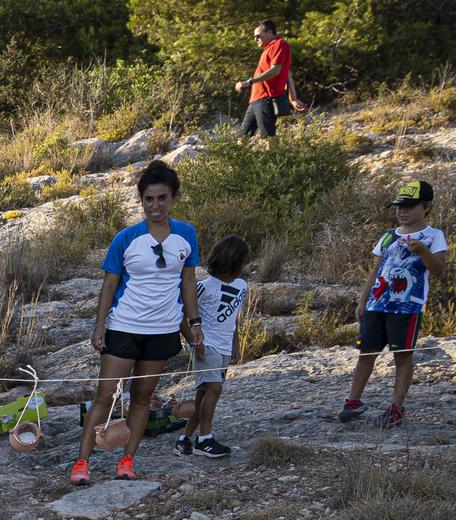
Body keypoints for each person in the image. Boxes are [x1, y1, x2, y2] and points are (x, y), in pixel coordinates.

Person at [73, 161, 205, 486]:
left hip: (162, 331)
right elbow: (108, 285)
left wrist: (194, 322)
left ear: (173, 198)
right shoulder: (126, 238)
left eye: (162, 198)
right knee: (104, 396)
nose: (155, 205)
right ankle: (81, 463)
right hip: (124, 327)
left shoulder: (186, 235)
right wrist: (99, 325)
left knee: (143, 398)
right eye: (149, 199)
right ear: (141, 200)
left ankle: (127, 460)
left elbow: (187, 284)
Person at [338, 180, 449, 429]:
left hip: (407, 307)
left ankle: (396, 408)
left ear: (427, 206)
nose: (402, 211)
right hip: (377, 304)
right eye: (398, 206)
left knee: (402, 355)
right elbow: (376, 269)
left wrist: (422, 251)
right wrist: (363, 299)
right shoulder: (388, 236)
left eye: (409, 206)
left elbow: (439, 269)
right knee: (366, 353)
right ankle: (352, 402)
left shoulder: (433, 236)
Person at [176, 234, 252, 460]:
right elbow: (182, 315)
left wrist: (236, 343)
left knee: (203, 394)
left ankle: (184, 438)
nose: (244, 267)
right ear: (231, 262)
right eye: (242, 263)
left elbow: (234, 317)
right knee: (214, 389)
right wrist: (193, 341)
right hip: (206, 345)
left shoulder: (242, 286)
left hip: (224, 347)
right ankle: (205, 439)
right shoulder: (203, 287)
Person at [236, 20, 303, 141]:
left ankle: (276, 160)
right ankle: (239, 160)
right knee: (242, 138)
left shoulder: (279, 44)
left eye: (258, 36)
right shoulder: (267, 49)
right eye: (254, 37)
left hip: (266, 99)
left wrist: (249, 82)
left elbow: (276, 70)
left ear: (270, 32)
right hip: (256, 100)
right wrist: (292, 98)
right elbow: (287, 73)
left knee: (268, 139)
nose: (255, 39)